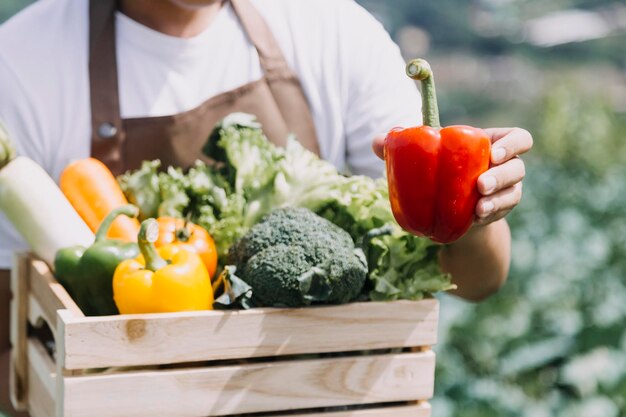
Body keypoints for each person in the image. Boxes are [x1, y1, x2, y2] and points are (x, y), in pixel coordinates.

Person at [0, 0, 532, 414]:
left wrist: (473, 206)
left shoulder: (331, 29)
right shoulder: (21, 64)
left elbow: (480, 280)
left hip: (329, 398)